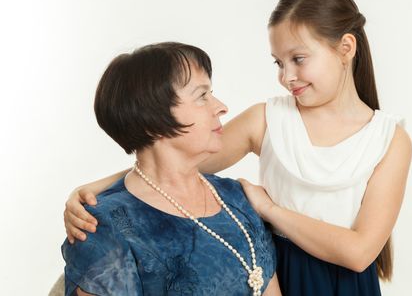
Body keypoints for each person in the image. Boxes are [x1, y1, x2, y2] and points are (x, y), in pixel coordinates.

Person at [64, 0, 412, 295]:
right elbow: (170, 163)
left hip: (344, 285)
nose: (286, 76)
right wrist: (95, 189)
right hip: (275, 271)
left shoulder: (389, 139)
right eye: (278, 62)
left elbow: (359, 252)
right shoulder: (268, 119)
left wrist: (270, 210)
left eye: (298, 59)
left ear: (346, 47)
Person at [61, 42, 280, 296]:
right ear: (152, 120)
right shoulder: (105, 224)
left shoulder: (239, 198)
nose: (220, 106)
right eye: (202, 96)